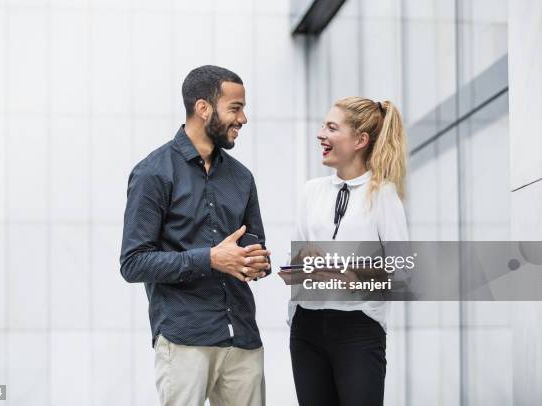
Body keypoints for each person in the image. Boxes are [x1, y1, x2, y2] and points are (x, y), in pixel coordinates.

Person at [119, 65, 271, 406]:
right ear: (203, 109)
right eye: (235, 108)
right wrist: (211, 259)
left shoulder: (242, 178)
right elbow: (133, 263)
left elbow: (254, 245)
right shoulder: (152, 173)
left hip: (243, 340)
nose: (243, 118)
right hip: (185, 339)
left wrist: (255, 261)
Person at [289, 97, 409, 405]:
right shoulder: (310, 191)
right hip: (307, 327)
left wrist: (350, 273)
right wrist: (302, 265)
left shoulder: (383, 195)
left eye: (331, 127)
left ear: (360, 140)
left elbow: (404, 274)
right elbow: (294, 268)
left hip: (358, 329)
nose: (320, 134)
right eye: (322, 125)